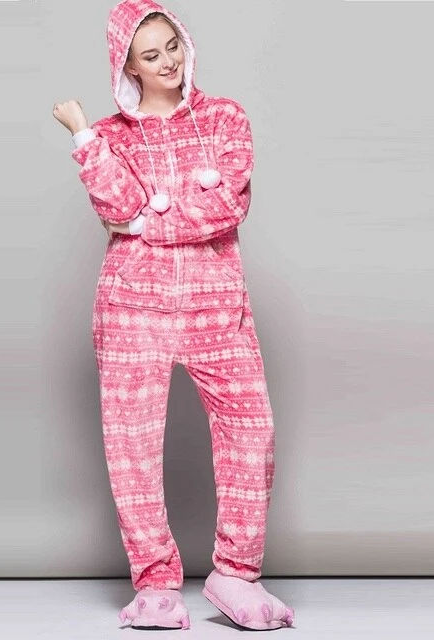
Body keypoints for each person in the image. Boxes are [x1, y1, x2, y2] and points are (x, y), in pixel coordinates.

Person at [53, 0, 295, 631]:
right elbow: (116, 204)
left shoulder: (225, 117)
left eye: (172, 46)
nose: (167, 62)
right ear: (128, 66)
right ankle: (155, 585)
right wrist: (83, 137)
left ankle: (236, 575)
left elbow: (227, 207)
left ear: (185, 43)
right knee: (131, 448)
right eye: (150, 55)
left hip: (218, 305)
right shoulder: (110, 135)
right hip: (133, 307)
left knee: (252, 433)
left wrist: (144, 222)